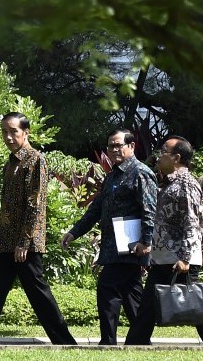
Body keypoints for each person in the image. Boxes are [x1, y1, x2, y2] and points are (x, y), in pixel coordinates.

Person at [0, 112, 77, 345]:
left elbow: (35, 204)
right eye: (4, 132)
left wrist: (24, 241)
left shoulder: (35, 160)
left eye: (13, 131)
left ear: (26, 133)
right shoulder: (10, 162)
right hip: (5, 241)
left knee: (39, 296)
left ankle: (66, 343)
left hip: (25, 245)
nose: (8, 136)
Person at [125, 136, 203, 345]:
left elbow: (192, 222)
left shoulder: (186, 185)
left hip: (179, 258)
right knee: (148, 307)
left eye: (163, 152)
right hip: (164, 257)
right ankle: (135, 344)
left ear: (176, 157)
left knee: (198, 306)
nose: (158, 156)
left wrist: (186, 258)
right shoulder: (168, 182)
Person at [61, 129, 157, 345]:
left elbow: (150, 211)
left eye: (118, 145)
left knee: (107, 287)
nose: (114, 149)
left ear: (131, 147)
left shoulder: (141, 173)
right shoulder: (113, 175)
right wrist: (74, 232)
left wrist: (146, 242)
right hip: (114, 247)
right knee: (132, 295)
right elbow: (96, 209)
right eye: (110, 146)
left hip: (131, 246)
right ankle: (140, 340)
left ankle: (108, 341)